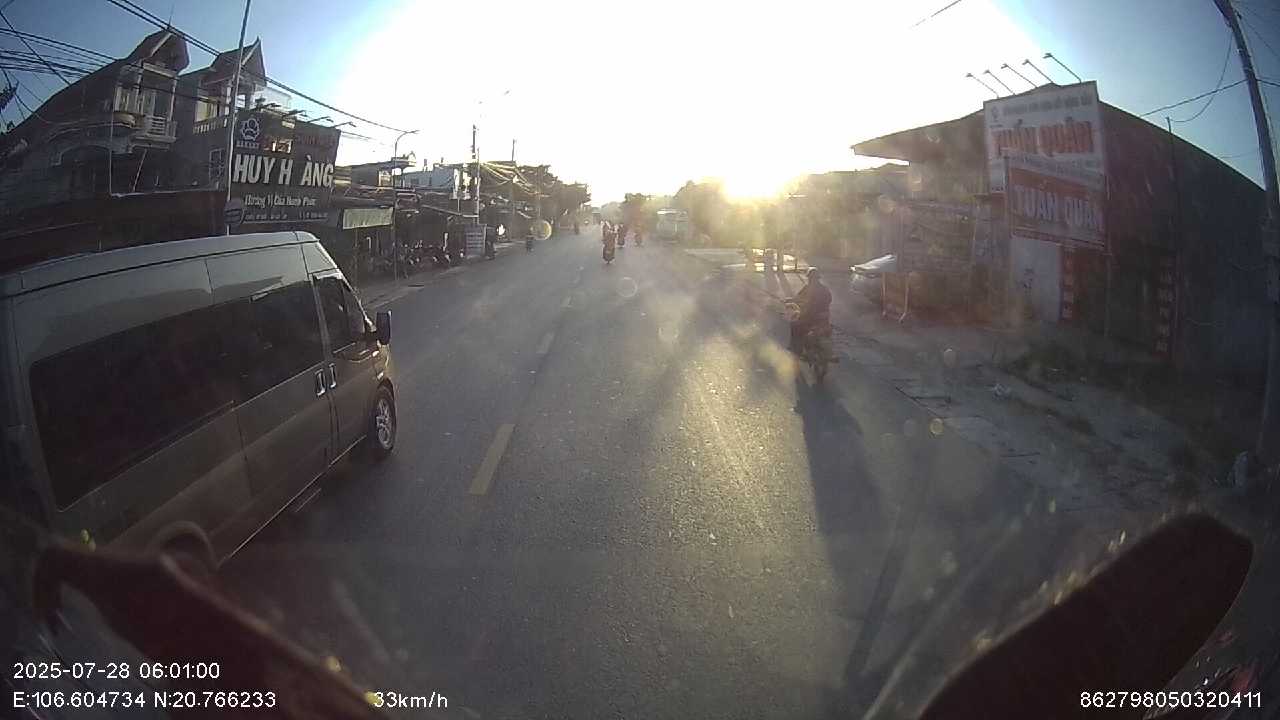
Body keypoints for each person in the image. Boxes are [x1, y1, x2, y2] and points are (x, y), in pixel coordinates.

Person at [790, 267, 832, 353]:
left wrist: (791, 300)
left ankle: (796, 348)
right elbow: (829, 300)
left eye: (810, 278)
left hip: (811, 316)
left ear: (810, 278)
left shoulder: (808, 288)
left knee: (794, 325)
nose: (809, 280)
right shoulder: (824, 289)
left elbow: (798, 298)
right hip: (823, 317)